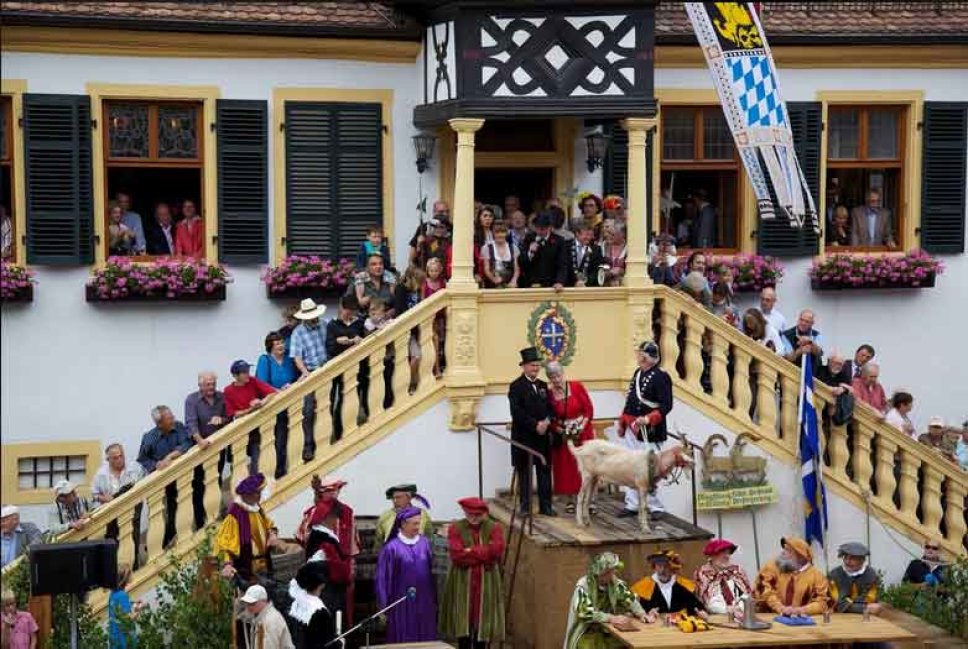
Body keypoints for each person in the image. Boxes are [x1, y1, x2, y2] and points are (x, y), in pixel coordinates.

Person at [440, 497, 505, 649]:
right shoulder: (456, 528)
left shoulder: (494, 527)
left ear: (483, 513)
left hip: (486, 582)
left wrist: (471, 550)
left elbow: (496, 551)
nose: (474, 518)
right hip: (462, 581)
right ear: (464, 512)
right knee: (463, 621)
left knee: (482, 621)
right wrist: (484, 552)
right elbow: (457, 556)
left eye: (478, 514)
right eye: (470, 514)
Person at [617, 341, 673, 518]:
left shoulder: (661, 376)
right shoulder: (638, 373)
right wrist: (623, 420)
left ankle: (656, 507)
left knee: (651, 470)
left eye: (642, 355)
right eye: (639, 354)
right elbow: (632, 399)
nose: (639, 358)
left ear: (651, 357)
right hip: (633, 428)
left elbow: (666, 405)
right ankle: (633, 504)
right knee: (631, 467)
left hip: (650, 430)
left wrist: (649, 418)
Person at [296, 476, 358, 625]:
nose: (335, 494)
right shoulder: (311, 513)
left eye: (337, 490)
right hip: (319, 573)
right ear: (321, 492)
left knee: (340, 612)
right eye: (330, 490)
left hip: (341, 572)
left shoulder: (347, 513)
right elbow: (302, 540)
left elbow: (353, 546)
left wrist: (351, 570)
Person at [564, 552, 653, 649]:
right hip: (586, 631)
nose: (612, 574)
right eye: (610, 571)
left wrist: (641, 614)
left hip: (608, 631)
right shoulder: (583, 586)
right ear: (601, 572)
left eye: (613, 571)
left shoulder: (615, 583)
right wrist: (610, 618)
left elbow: (629, 599)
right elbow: (584, 613)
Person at [375, 507, 437, 643]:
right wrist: (383, 606)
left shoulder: (424, 543)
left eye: (419, 523)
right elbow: (382, 579)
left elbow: (431, 569)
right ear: (403, 524)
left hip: (424, 600)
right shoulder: (391, 548)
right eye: (414, 524)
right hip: (401, 602)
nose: (418, 527)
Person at [508, 347, 555, 517]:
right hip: (524, 437)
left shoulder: (543, 386)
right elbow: (517, 412)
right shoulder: (516, 386)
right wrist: (535, 424)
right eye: (532, 365)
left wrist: (547, 422)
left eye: (537, 365)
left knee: (544, 471)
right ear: (524, 367)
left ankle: (546, 506)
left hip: (542, 438)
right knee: (525, 472)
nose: (535, 368)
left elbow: (551, 408)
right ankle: (526, 507)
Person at [137, 405, 193, 546]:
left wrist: (170, 456)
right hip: (161, 481)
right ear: (160, 423)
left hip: (182, 476)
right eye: (169, 418)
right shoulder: (149, 438)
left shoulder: (179, 427)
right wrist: (155, 465)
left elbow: (187, 444)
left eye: (172, 416)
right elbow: (142, 459)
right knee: (161, 513)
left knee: (177, 507)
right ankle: (161, 543)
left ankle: (170, 538)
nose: (173, 419)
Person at [545, 362, 595, 514]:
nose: (557, 380)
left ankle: (590, 500)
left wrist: (582, 424)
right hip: (564, 435)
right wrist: (559, 428)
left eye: (558, 375)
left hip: (582, 432)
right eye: (553, 377)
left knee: (587, 467)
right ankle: (571, 500)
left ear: (563, 373)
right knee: (568, 468)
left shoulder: (576, 387)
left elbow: (588, 410)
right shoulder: (549, 394)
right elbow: (550, 418)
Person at [214, 474, 279, 582]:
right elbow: (225, 543)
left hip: (264, 563)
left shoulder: (256, 508)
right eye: (257, 493)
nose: (259, 496)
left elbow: (269, 525)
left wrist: (272, 535)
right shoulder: (235, 515)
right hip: (247, 568)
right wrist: (227, 564)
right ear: (247, 494)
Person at [185, 371, 230, 524]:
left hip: (218, 447)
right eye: (208, 384)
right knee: (198, 484)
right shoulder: (192, 400)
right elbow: (191, 423)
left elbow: (230, 418)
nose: (211, 387)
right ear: (200, 385)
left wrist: (222, 419)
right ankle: (200, 521)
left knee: (216, 480)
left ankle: (215, 515)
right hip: (200, 449)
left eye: (213, 384)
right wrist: (199, 440)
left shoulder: (222, 397)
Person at [92, 443, 147, 560]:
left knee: (133, 538)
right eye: (115, 458)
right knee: (113, 541)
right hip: (111, 513)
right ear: (108, 459)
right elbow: (95, 495)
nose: (119, 459)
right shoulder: (101, 474)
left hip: (133, 509)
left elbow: (146, 482)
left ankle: (134, 564)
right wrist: (104, 498)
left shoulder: (135, 468)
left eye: (121, 456)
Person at [325, 295, 369, 439]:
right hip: (339, 369)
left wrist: (359, 340)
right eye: (347, 311)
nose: (349, 314)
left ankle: (356, 426)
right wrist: (339, 342)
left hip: (357, 367)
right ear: (341, 308)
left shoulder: (359, 323)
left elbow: (367, 339)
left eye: (352, 311)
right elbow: (330, 348)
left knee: (358, 396)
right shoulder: (332, 325)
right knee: (338, 399)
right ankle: (338, 431)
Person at [290, 298, 328, 461]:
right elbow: (297, 357)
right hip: (311, 372)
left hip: (328, 367)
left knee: (330, 404)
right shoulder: (298, 332)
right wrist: (305, 372)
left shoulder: (325, 324)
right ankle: (308, 445)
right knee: (308, 410)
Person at [224, 359, 278, 475]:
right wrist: (250, 409)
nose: (248, 374)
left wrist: (261, 403)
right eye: (244, 372)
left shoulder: (253, 381)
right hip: (241, 430)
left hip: (256, 428)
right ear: (235, 375)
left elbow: (272, 392)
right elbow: (234, 414)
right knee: (238, 462)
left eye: (248, 371)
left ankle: (255, 482)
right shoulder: (228, 391)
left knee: (257, 458)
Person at [754, 537, 829, 616]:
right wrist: (780, 608)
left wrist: (801, 610)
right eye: (784, 548)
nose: (783, 552)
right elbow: (764, 591)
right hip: (771, 618)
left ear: (801, 556)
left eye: (788, 550)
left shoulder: (817, 577)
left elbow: (822, 603)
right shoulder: (771, 567)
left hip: (805, 623)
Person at [631, 550, 706, 618]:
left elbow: (696, 607)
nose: (662, 570)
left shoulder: (682, 584)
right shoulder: (646, 585)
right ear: (654, 567)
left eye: (666, 566)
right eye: (659, 566)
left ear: (673, 568)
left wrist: (700, 612)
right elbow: (638, 610)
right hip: (656, 628)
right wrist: (648, 613)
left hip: (682, 626)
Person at [694, 539, 753, 617]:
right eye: (722, 553)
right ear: (711, 556)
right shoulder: (703, 574)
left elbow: (747, 594)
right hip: (716, 619)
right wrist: (727, 610)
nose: (727, 556)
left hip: (742, 615)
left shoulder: (737, 572)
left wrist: (740, 607)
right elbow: (707, 602)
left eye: (728, 553)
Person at [288, 562, 336, 648]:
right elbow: (326, 643)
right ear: (322, 585)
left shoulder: (295, 604)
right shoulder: (319, 611)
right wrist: (339, 644)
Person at [519, 211, 568, 290]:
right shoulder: (529, 238)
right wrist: (530, 252)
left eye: (543, 228)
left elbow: (562, 264)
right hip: (531, 284)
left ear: (549, 227)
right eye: (538, 227)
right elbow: (521, 262)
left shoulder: (559, 241)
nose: (540, 231)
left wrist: (560, 281)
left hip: (551, 285)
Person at [828, 542, 881, 616]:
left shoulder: (871, 575)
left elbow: (870, 599)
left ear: (862, 560)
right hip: (839, 616)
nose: (847, 562)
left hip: (865, 617)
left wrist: (847, 603)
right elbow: (837, 603)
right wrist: (865, 608)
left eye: (852, 558)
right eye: (845, 557)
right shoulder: (834, 575)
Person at [375, 484, 433, 551]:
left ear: (408, 498)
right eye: (393, 498)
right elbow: (379, 540)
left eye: (398, 497)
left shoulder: (422, 514)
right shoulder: (385, 516)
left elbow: (429, 536)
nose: (395, 501)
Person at [238, 584, 294, 649]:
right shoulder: (261, 616)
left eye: (252, 603)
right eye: (247, 603)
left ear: (263, 601)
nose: (249, 606)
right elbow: (240, 614)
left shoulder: (270, 621)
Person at [423, 257, 448, 378]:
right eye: (431, 270)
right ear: (427, 271)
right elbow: (422, 301)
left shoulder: (444, 282)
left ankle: (443, 365)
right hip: (430, 318)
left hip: (442, 317)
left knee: (443, 341)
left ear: (440, 270)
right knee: (434, 341)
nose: (434, 273)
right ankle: (436, 368)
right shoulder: (424, 283)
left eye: (436, 270)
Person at [108, 564, 143, 649]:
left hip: (114, 636)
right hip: (124, 638)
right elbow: (129, 618)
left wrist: (132, 602)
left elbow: (118, 607)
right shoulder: (123, 595)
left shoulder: (113, 594)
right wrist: (139, 609)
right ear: (125, 578)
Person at [480, 221, 520, 289]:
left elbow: (516, 268)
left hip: (510, 285)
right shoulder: (487, 248)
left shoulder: (513, 248)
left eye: (502, 232)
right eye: (497, 232)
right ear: (493, 233)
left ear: (506, 233)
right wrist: (493, 279)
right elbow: (486, 269)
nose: (500, 235)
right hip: (492, 285)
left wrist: (514, 280)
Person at [599, 220, 627, 287]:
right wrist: (609, 273)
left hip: (624, 285)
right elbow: (598, 266)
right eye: (608, 233)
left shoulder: (630, 249)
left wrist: (622, 271)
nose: (608, 236)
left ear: (622, 234)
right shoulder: (601, 247)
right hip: (605, 285)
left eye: (612, 234)